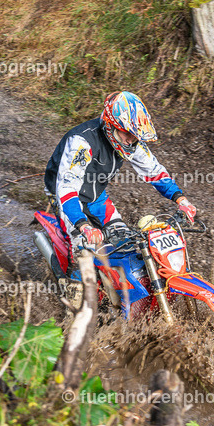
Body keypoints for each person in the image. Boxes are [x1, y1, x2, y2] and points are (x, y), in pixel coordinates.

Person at [44, 91, 197, 307]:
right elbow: (67, 188)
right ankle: (75, 307)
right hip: (66, 197)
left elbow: (154, 171)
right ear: (110, 125)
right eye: (127, 134)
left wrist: (181, 199)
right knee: (83, 250)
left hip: (96, 196)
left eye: (135, 135)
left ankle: (121, 293)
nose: (131, 139)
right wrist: (83, 226)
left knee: (124, 241)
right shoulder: (82, 142)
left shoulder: (129, 141)